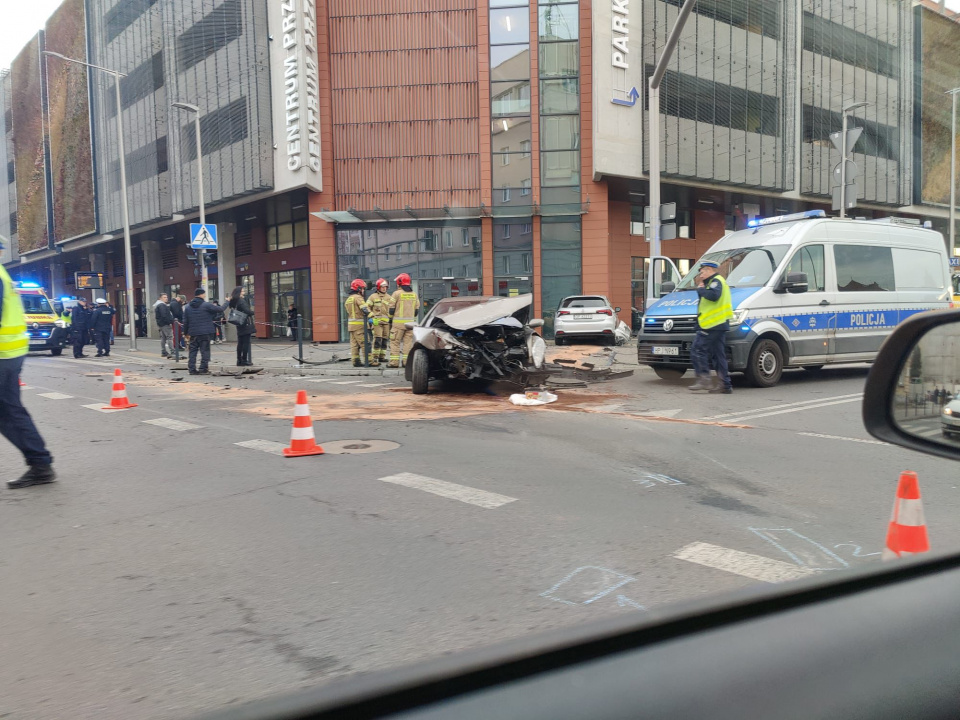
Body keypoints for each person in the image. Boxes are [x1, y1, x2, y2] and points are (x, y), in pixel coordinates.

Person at [0, 253, 55, 488]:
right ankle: (40, 463)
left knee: (9, 412)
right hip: (10, 354)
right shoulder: (4, 274)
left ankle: (40, 463)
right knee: (9, 412)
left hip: (4, 355)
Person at [689, 261, 734, 394]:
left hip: (712, 325)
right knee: (718, 355)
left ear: (709, 270)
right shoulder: (714, 282)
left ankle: (704, 379)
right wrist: (702, 290)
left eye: (702, 271)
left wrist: (701, 290)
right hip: (717, 324)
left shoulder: (716, 281)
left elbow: (714, 296)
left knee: (697, 349)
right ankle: (725, 384)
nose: (701, 274)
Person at [182, 288, 221, 375]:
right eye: (204, 294)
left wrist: (185, 333)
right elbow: (220, 309)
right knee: (205, 351)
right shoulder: (205, 305)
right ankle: (203, 368)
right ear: (202, 294)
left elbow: (185, 322)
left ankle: (192, 369)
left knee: (193, 351)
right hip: (205, 332)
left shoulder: (187, 307)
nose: (205, 295)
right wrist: (227, 302)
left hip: (193, 332)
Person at [388, 273, 419, 368]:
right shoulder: (414, 294)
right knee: (408, 344)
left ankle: (394, 362)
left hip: (397, 324)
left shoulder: (396, 293)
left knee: (395, 342)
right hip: (410, 324)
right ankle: (406, 362)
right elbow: (416, 310)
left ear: (399, 282)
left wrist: (390, 319)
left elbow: (391, 309)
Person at [366, 278, 391, 367]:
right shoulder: (373, 297)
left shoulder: (389, 297)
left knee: (384, 340)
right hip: (376, 322)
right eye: (382, 287)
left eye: (385, 287)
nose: (384, 289)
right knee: (377, 339)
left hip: (386, 322)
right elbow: (367, 307)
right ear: (378, 287)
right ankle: (375, 357)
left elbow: (391, 309)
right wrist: (371, 316)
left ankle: (382, 357)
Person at [345, 279, 370, 367]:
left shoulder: (349, 299)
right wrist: (372, 317)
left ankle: (356, 361)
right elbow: (365, 310)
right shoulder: (358, 297)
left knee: (354, 345)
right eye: (362, 288)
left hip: (351, 326)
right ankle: (369, 361)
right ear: (358, 288)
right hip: (359, 326)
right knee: (365, 343)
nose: (363, 290)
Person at [228, 286, 255, 366]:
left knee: (240, 342)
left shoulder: (234, 301)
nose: (244, 293)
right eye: (243, 291)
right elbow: (247, 311)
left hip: (238, 323)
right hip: (244, 323)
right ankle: (244, 360)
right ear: (239, 292)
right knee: (245, 342)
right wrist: (253, 312)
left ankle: (239, 360)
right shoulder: (241, 301)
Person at [154, 293, 175, 358]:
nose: (166, 298)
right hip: (165, 324)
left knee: (163, 338)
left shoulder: (157, 305)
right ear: (160, 298)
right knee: (169, 337)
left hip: (160, 323)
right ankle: (172, 351)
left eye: (166, 297)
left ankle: (163, 351)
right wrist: (169, 322)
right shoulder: (162, 305)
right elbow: (164, 315)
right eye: (164, 297)